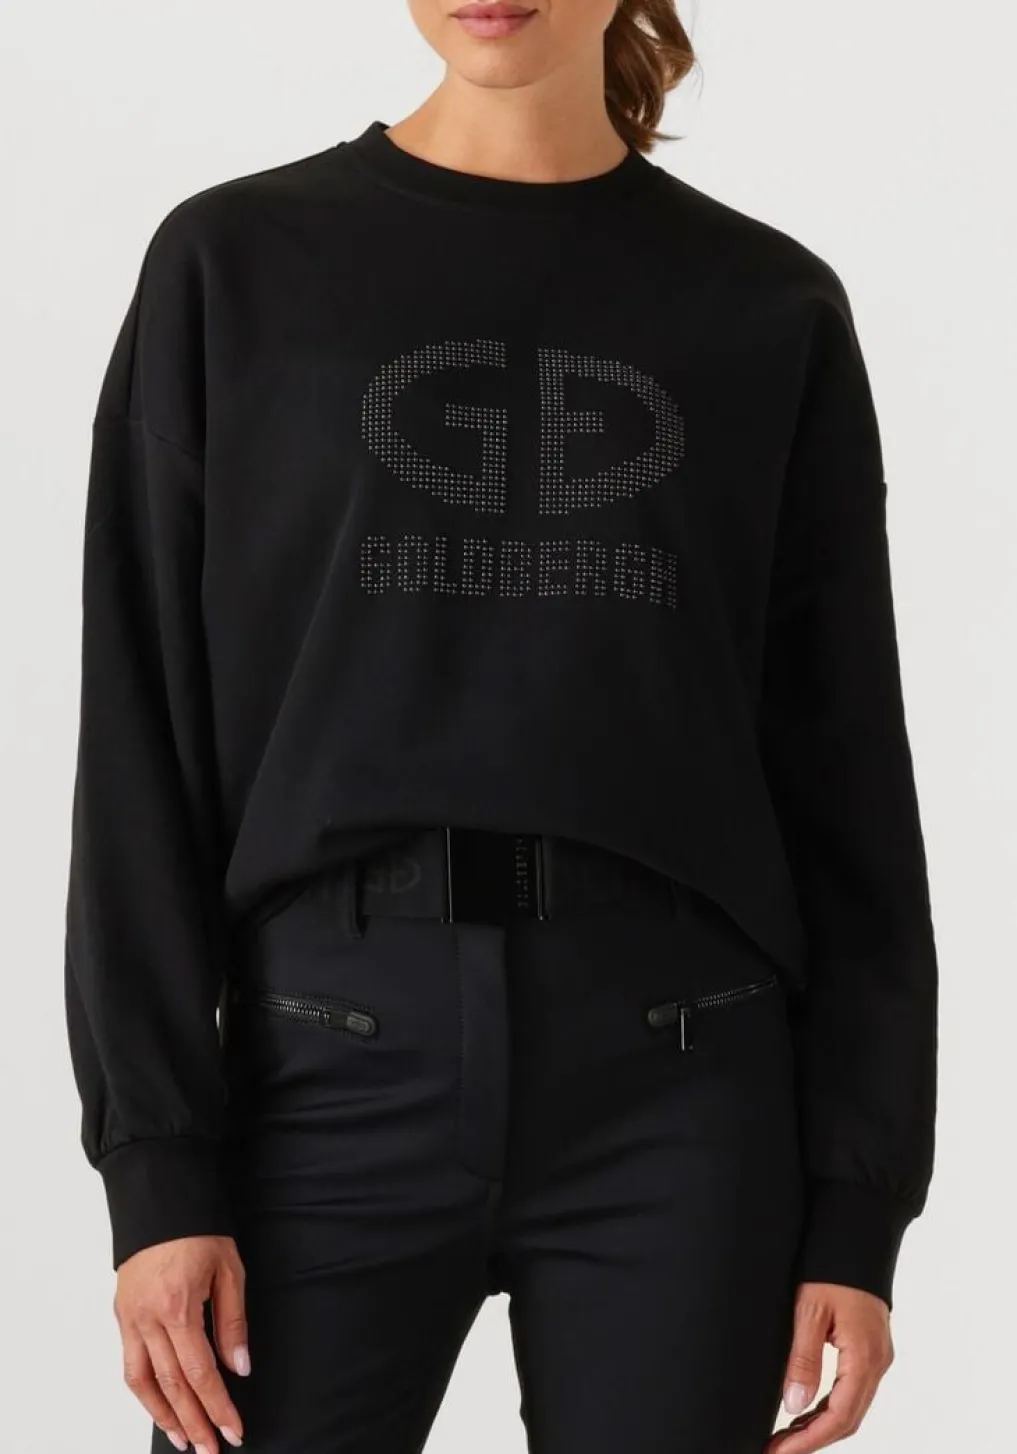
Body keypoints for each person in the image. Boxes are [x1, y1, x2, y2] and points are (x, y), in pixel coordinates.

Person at [63, 3, 939, 1452]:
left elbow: (846, 773)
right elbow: (139, 727)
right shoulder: (234, 264)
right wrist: (156, 1165)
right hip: (321, 1065)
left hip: (680, 1084)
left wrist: (859, 1200)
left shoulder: (766, 306)